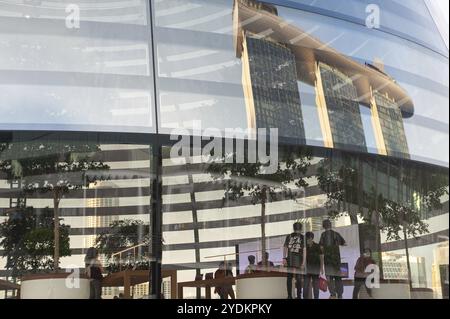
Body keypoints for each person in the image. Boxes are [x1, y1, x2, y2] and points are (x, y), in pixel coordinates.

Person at [319, 219, 346, 299]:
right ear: (331, 225)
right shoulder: (336, 234)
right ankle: (340, 295)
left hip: (328, 260)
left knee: (329, 278)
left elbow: (321, 247)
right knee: (338, 278)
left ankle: (333, 294)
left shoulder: (323, 235)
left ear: (324, 226)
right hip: (336, 260)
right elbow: (344, 243)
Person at [283, 222, 305, 299]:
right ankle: (299, 296)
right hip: (299, 261)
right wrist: (303, 262)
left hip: (290, 260)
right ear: (301, 228)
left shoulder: (289, 236)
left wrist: (284, 258)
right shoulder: (303, 237)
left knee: (289, 278)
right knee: (299, 279)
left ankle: (289, 296)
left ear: (293, 228)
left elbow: (285, 247)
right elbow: (304, 250)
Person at [303, 232, 323, 299]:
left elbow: (321, 257)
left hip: (315, 269)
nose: (306, 240)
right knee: (305, 286)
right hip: (306, 269)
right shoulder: (304, 247)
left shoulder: (317, 246)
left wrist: (321, 267)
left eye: (308, 239)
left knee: (316, 287)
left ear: (311, 238)